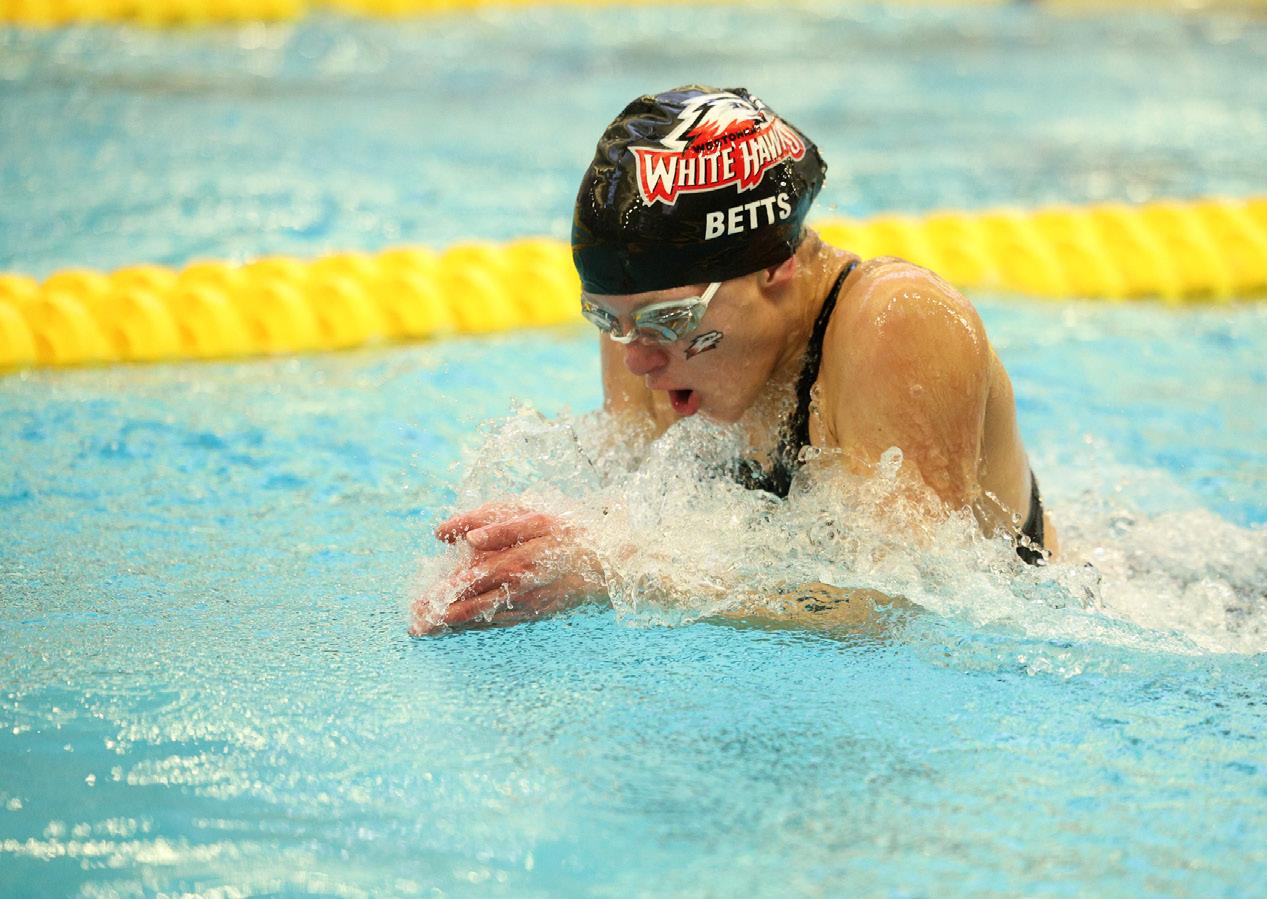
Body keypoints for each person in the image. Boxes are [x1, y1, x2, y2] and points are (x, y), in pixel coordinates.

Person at [410, 85, 1057, 634]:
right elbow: (638, 513)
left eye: (670, 319)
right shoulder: (640, 339)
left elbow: (905, 608)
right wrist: (550, 551)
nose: (637, 360)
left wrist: (625, 573)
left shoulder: (897, 322)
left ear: (774, 265)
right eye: (607, 320)